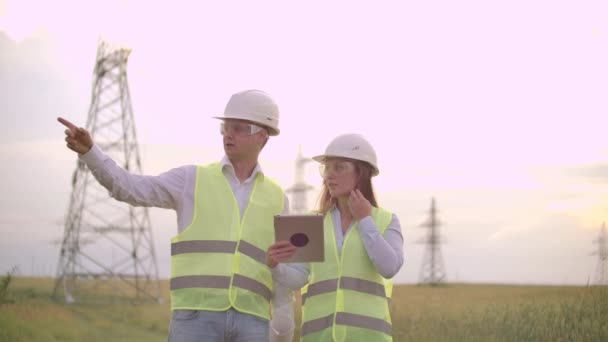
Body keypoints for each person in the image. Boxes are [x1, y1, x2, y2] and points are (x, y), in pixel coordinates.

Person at [59, 89, 294, 342]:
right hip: (194, 319)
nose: (228, 134)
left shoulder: (279, 198)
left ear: (263, 137)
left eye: (239, 128)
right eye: (226, 127)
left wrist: (284, 322)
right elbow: (129, 188)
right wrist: (91, 153)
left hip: (254, 320)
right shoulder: (191, 179)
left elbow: (288, 268)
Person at [267, 133, 404, 341]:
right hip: (318, 337)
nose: (328, 175)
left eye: (339, 167)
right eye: (326, 168)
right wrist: (275, 266)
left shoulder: (386, 221)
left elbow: (389, 267)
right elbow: (299, 279)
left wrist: (365, 221)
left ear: (362, 172)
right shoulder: (314, 223)